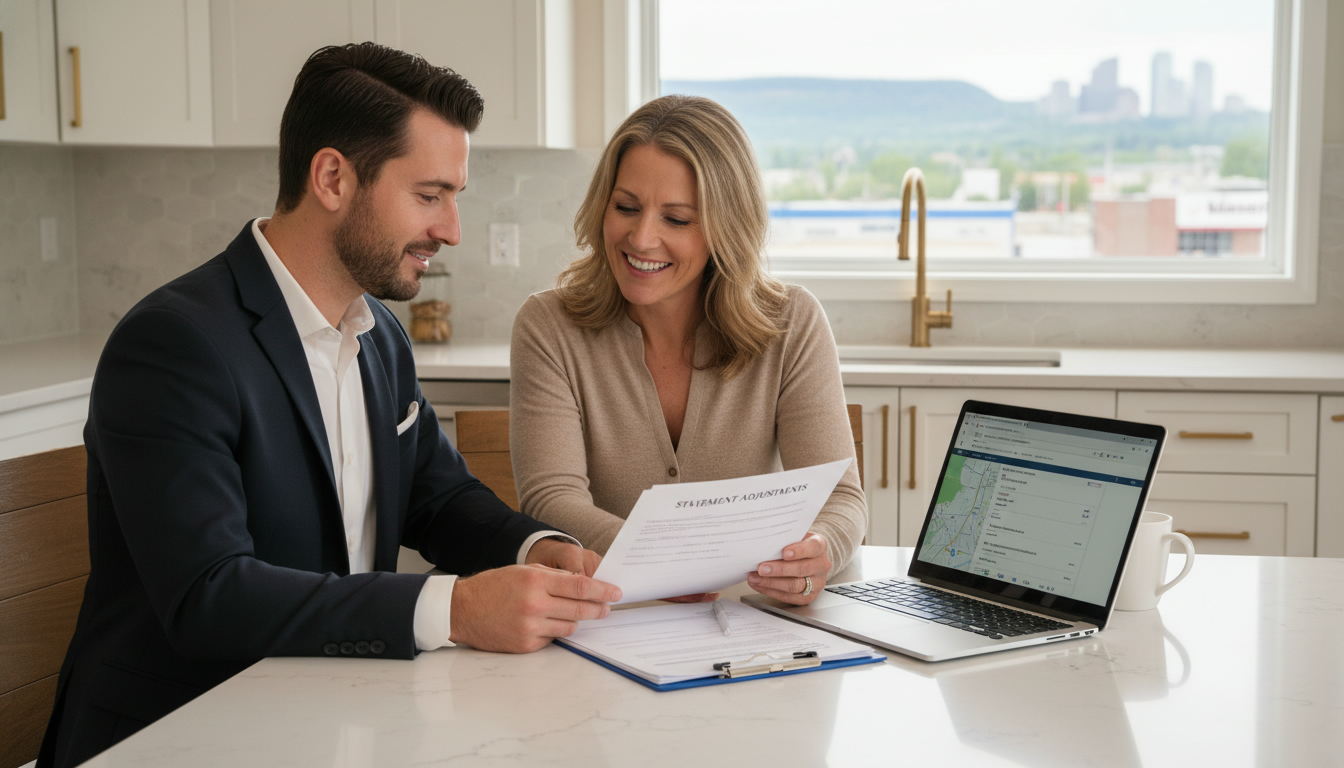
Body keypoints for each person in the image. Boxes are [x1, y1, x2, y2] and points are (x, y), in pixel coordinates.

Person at [39, 43, 619, 768]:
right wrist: (458, 609)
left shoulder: (380, 338)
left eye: (455, 198)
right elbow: (209, 595)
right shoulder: (174, 344)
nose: (451, 229)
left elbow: (439, 501)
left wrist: (542, 551)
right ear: (333, 178)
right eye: (430, 195)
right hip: (181, 736)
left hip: (332, 716)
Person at [509, 95, 866, 606]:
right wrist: (663, 564)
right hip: (612, 615)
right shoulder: (549, 326)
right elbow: (551, 499)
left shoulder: (792, 322)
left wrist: (819, 550)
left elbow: (841, 500)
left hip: (749, 618)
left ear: (726, 227)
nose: (641, 238)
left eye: (676, 219)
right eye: (626, 207)